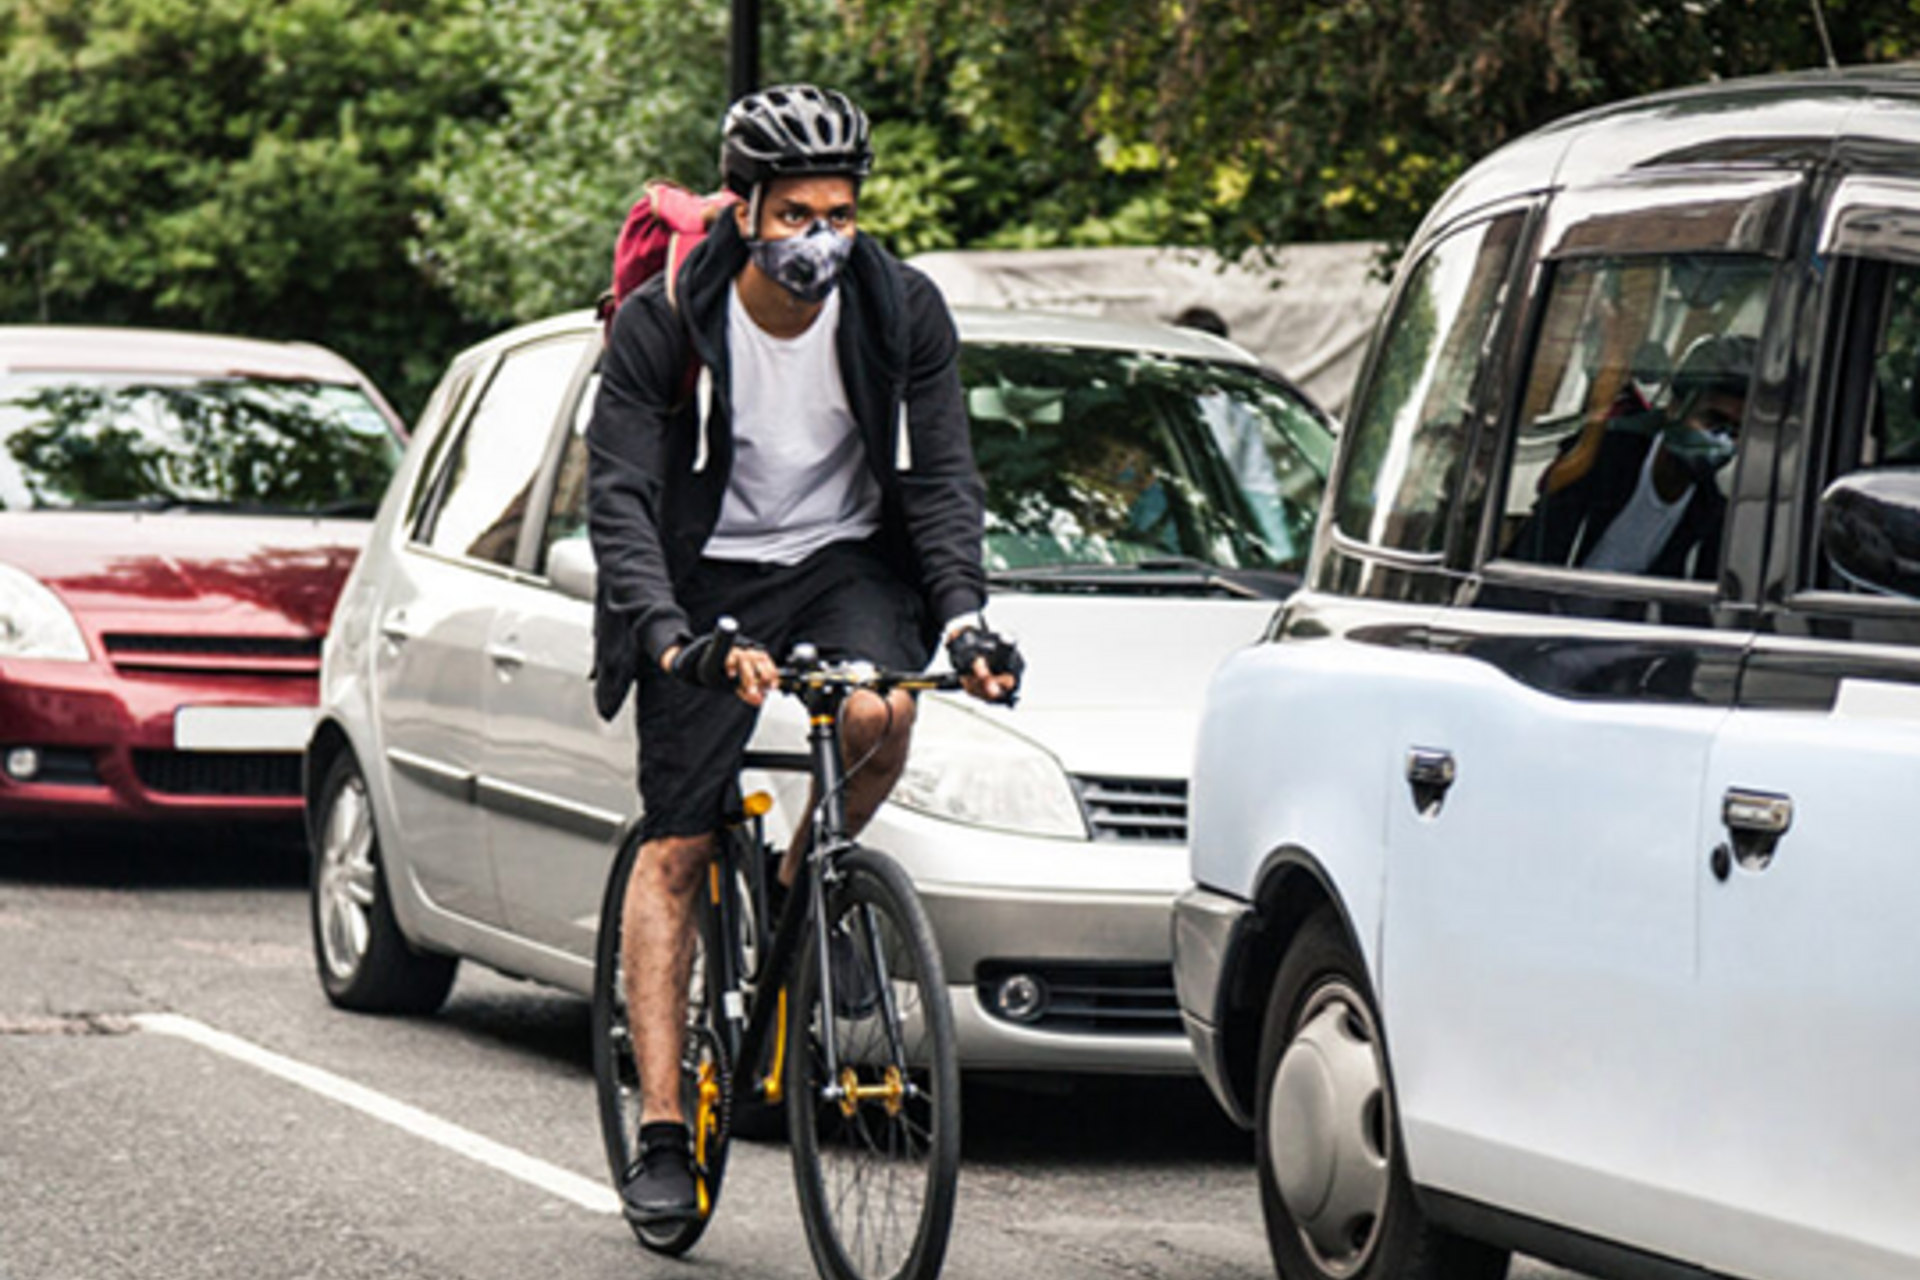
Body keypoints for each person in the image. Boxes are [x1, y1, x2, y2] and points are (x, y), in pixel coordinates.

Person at [584, 83, 1022, 1226]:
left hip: (841, 559)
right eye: (797, 216)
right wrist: (668, 636)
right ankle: (667, 1127)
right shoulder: (667, 320)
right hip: (700, 568)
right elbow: (621, 494)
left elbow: (939, 479)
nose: (822, 237)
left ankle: (803, 889)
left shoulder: (900, 309)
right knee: (675, 845)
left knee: (882, 713)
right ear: (745, 210)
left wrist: (966, 613)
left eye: (841, 212)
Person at [1510, 333, 1756, 580]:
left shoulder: (1711, 515)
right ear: (1675, 408)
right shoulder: (1601, 458)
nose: (1722, 440)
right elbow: (1530, 562)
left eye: (1737, 431)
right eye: (1713, 420)